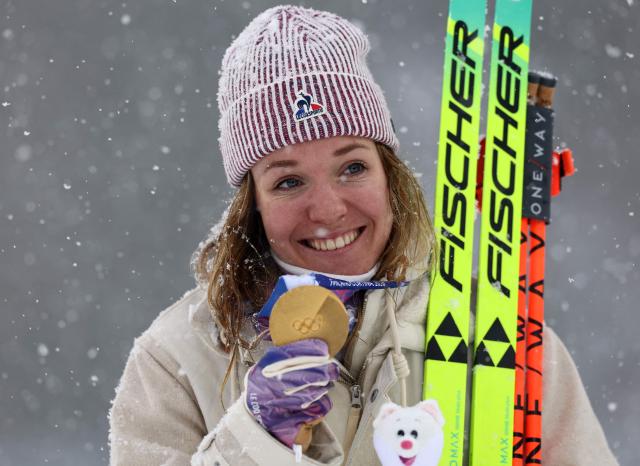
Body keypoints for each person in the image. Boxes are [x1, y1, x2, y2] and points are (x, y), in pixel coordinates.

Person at [108, 5, 618, 465]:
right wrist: (250, 442)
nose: (328, 208)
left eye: (352, 167)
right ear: (252, 206)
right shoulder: (177, 358)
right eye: (288, 181)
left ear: (388, 172)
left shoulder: (499, 333)